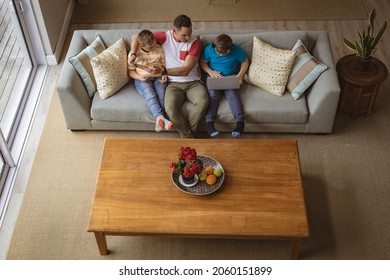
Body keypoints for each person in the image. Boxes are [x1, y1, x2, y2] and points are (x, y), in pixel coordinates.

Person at [130, 15, 208, 138]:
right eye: (184, 35)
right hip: (173, 84)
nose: (188, 37)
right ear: (174, 30)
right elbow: (136, 37)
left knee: (203, 101)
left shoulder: (195, 43)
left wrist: (162, 71)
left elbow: (185, 70)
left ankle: (188, 135)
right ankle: (189, 136)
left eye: (190, 33)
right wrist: (133, 54)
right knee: (170, 109)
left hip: (193, 82)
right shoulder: (163, 37)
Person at [200, 34, 249, 137]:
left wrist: (239, 76)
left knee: (232, 94)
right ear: (214, 47)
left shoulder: (237, 50)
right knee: (213, 95)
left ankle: (240, 122)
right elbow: (203, 62)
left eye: (225, 53)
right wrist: (211, 72)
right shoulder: (209, 49)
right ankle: (209, 123)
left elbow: (245, 61)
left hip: (230, 77)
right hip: (214, 76)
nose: (222, 55)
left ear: (231, 48)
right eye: (219, 53)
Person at [127, 29, 172, 132]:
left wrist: (164, 74)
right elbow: (130, 72)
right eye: (150, 47)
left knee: (162, 94)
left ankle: (160, 119)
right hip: (142, 79)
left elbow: (164, 66)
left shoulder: (159, 49)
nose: (154, 47)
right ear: (141, 46)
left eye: (154, 44)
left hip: (158, 76)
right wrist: (139, 77)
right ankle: (161, 117)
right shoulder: (134, 54)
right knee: (150, 93)